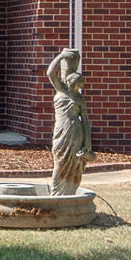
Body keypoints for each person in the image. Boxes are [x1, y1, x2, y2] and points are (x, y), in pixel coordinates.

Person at [47, 47, 93, 194]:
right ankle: (56, 193)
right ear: (68, 81)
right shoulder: (60, 90)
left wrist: (87, 143)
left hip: (76, 132)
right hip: (61, 131)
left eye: (78, 86)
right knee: (60, 161)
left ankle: (70, 193)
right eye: (74, 85)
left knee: (74, 163)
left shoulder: (80, 99)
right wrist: (61, 56)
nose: (76, 88)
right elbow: (50, 73)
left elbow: (85, 122)